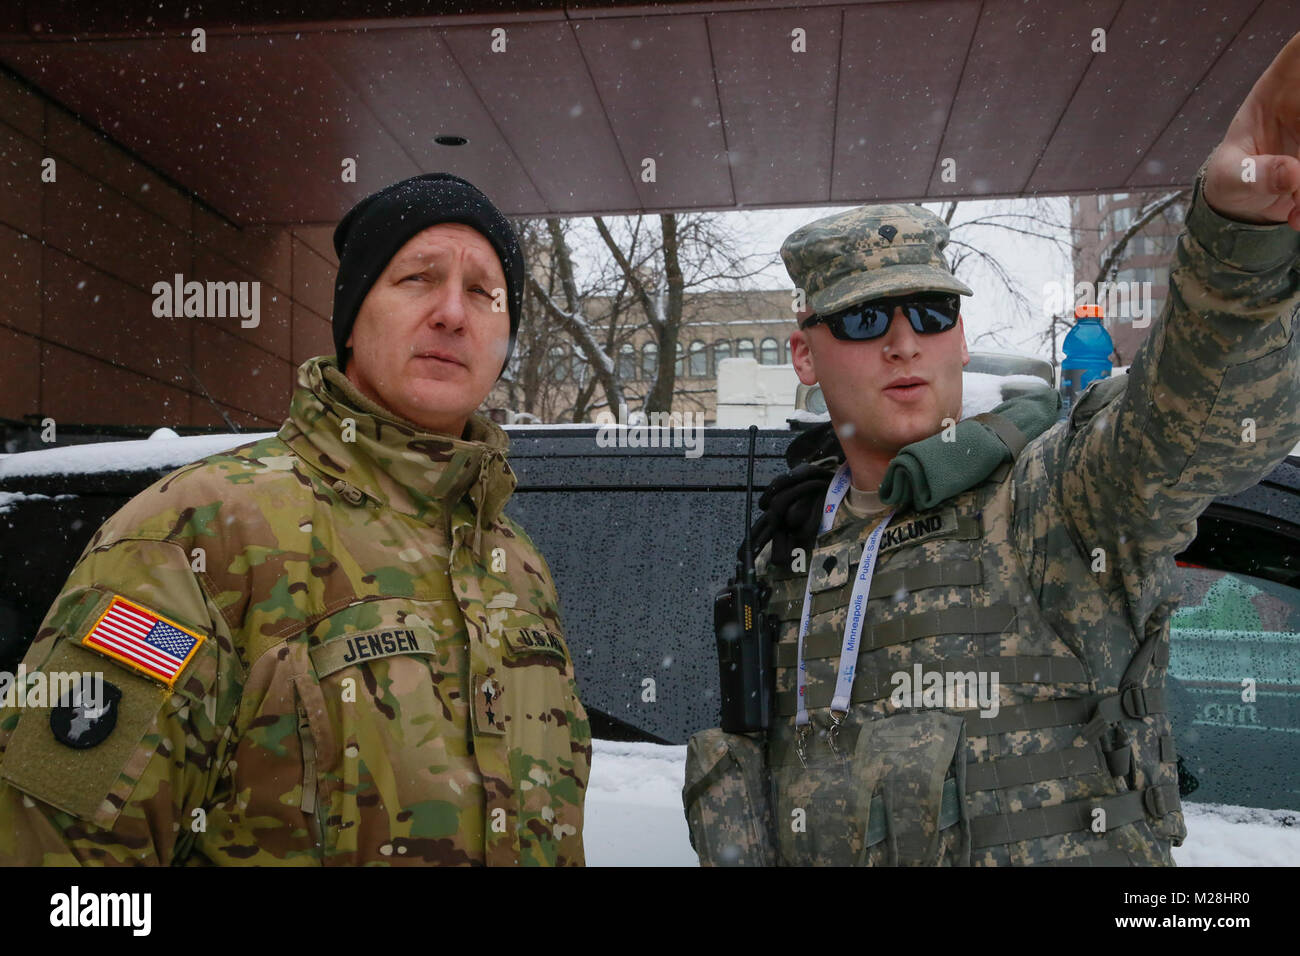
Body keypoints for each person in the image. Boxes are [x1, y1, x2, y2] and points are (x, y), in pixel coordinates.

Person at [684, 32, 1300, 866]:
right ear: (804, 354)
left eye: (930, 314)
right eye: (865, 320)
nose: (904, 343)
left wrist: (1237, 244)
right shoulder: (790, 551)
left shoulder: (1051, 498)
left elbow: (1189, 426)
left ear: (961, 337)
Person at [0, 173, 590, 866]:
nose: (453, 313)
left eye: (485, 293)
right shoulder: (196, 532)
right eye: (417, 279)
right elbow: (56, 868)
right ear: (351, 317)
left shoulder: (516, 566)